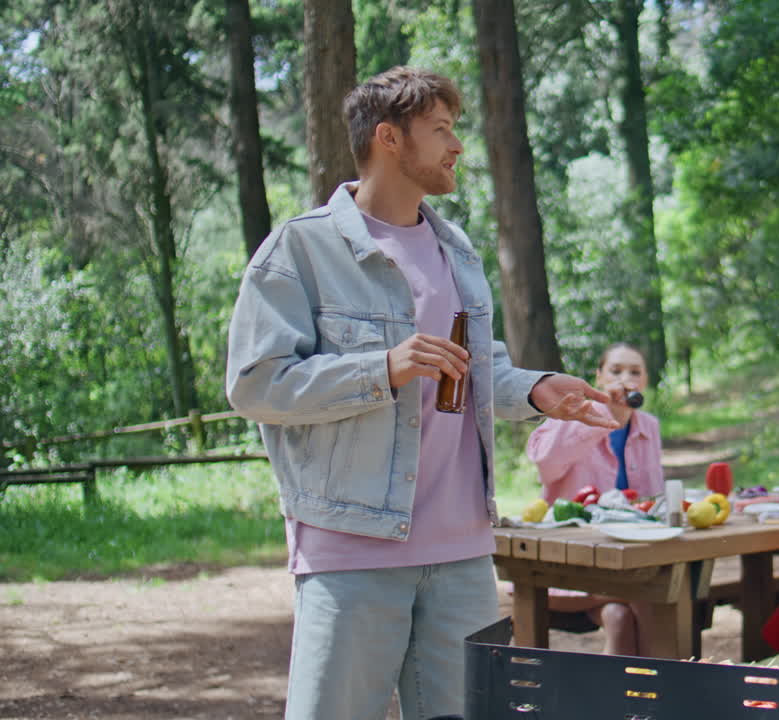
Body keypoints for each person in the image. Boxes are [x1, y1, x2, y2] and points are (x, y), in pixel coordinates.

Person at [225, 67, 618, 720]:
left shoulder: (455, 249)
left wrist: (538, 389)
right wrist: (382, 368)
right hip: (352, 549)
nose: (456, 146)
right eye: (440, 130)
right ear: (389, 138)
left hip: (463, 552)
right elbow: (255, 384)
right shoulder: (302, 249)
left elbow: (474, 371)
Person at [523, 342, 663, 655]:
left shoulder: (649, 427)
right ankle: (668, 679)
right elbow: (545, 465)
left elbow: (653, 501)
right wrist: (600, 414)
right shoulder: (573, 416)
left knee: (618, 616)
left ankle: (631, 686)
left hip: (624, 564)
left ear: (645, 381)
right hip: (570, 564)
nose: (625, 379)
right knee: (654, 595)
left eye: (635, 372)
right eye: (616, 371)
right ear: (599, 377)